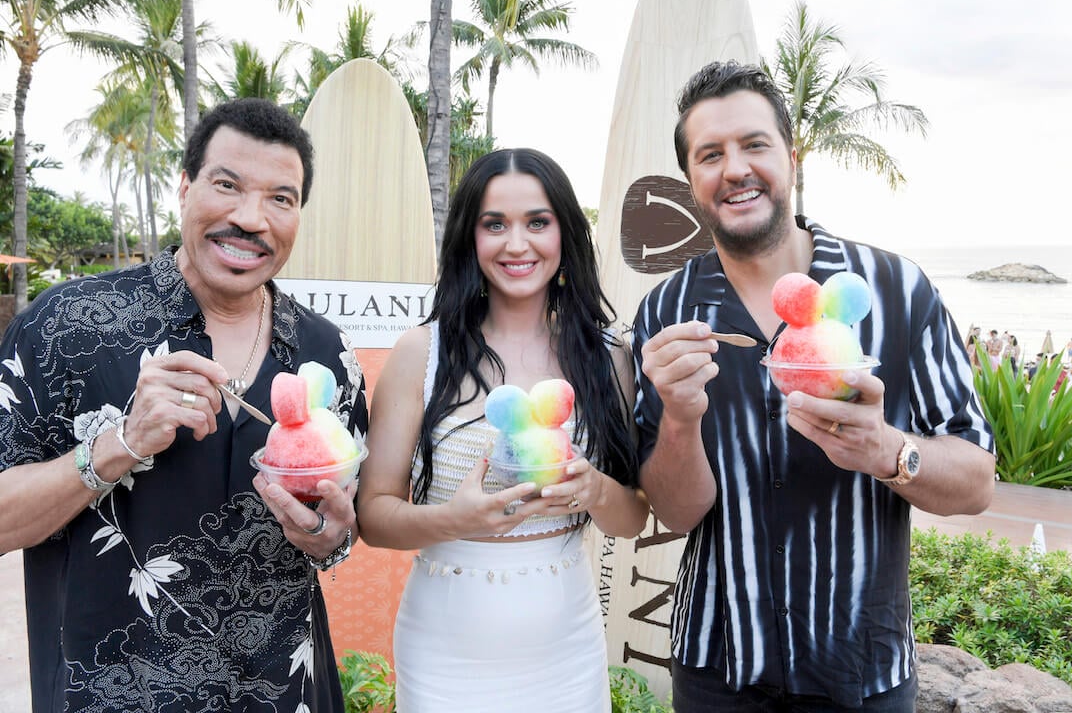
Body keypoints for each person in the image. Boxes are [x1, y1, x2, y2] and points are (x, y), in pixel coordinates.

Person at [633, 61, 995, 712]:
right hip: (718, 670)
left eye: (754, 144)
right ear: (691, 181)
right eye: (710, 154)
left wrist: (889, 452)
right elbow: (674, 511)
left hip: (863, 672)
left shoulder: (895, 291)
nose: (735, 168)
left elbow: (976, 482)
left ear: (791, 156)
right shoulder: (667, 314)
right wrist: (681, 422)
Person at [0, 99, 368, 712]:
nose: (251, 219)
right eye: (228, 186)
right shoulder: (67, 327)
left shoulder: (325, 354)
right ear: (185, 186)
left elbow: (340, 533)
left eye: (281, 198)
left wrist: (329, 535)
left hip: (286, 694)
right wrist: (120, 443)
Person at [356, 148, 648, 711]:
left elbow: (632, 517)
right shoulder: (423, 352)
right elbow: (373, 516)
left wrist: (591, 488)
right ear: (471, 237)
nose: (517, 244)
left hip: (568, 651)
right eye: (495, 225)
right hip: (444, 654)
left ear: (564, 233)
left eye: (537, 222)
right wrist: (455, 519)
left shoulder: (609, 355)